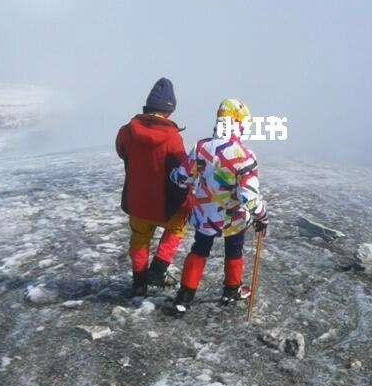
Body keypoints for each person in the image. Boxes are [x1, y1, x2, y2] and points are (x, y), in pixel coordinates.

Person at [169, 98, 268, 315]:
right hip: (233, 218)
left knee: (200, 249)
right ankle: (231, 290)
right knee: (234, 250)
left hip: (205, 216)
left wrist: (173, 175)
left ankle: (185, 297)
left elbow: (183, 177)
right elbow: (248, 196)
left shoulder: (201, 146)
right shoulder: (244, 155)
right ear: (239, 123)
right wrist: (261, 216)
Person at [115, 78, 189, 297]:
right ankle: (158, 269)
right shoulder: (173, 137)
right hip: (164, 203)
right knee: (177, 228)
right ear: (169, 109)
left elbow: (122, 152)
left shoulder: (127, 131)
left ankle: (139, 283)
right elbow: (181, 169)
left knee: (139, 238)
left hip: (137, 201)